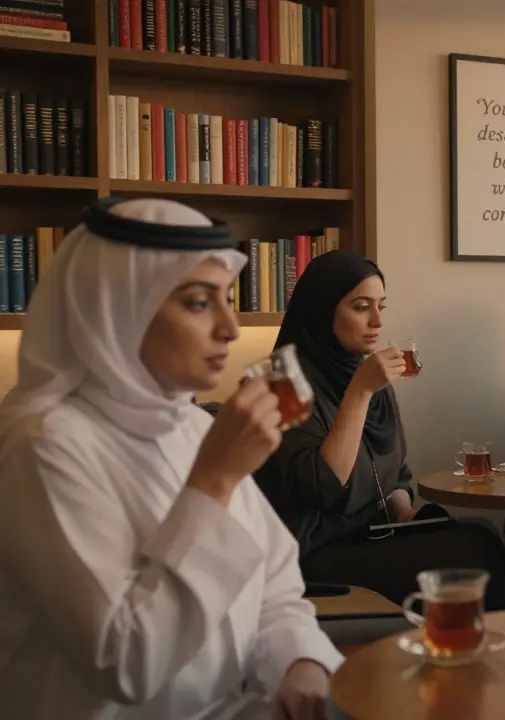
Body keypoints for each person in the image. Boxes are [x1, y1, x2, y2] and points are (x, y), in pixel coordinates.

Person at [0, 198, 341, 719]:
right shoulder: (44, 447)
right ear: (116, 311)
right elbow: (126, 662)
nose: (230, 327)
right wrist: (215, 480)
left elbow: (277, 585)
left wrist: (300, 663)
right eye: (199, 303)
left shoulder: (195, 424)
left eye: (228, 299)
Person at [253, 250, 505, 608]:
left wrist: (403, 513)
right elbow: (324, 486)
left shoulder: (372, 380)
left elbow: (397, 475)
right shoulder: (281, 386)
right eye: (361, 307)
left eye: (381, 306)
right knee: (471, 550)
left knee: (478, 531)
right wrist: (359, 392)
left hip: (372, 535)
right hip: (315, 556)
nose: (377, 321)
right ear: (322, 310)